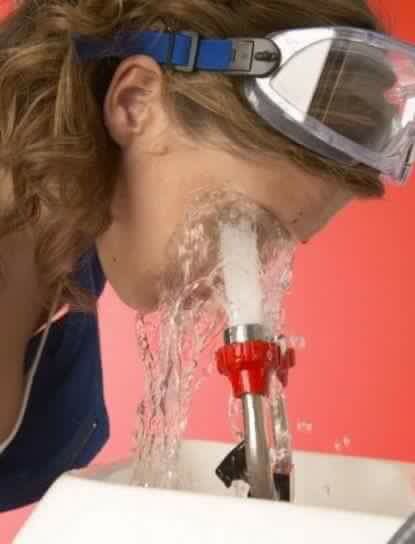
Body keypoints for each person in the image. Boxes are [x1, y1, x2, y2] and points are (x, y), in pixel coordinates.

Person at [0, 0, 412, 511]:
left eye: (278, 248)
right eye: (240, 226)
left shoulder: (71, 243)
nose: (243, 280)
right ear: (135, 103)